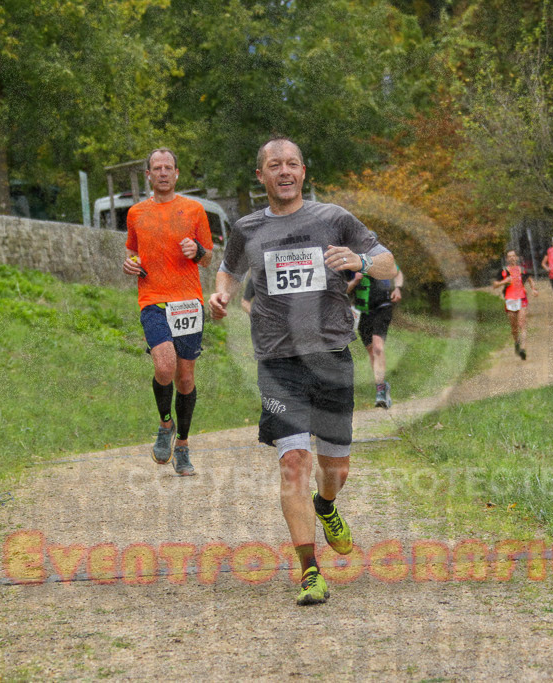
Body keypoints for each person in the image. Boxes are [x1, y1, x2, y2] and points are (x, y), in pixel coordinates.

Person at [208, 137, 396, 606]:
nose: (284, 171)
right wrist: (222, 294)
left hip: (331, 356)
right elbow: (228, 269)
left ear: (304, 172)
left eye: (292, 164)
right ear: (262, 176)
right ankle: (310, 570)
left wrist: (363, 262)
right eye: (275, 165)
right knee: (294, 461)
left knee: (336, 468)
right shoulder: (247, 227)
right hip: (276, 361)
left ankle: (326, 505)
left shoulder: (333, 218)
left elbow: (388, 262)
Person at [122, 148, 214, 476]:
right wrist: (130, 264)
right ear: (148, 174)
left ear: (177, 174)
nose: (162, 173)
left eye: (168, 168)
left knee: (185, 377)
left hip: (188, 302)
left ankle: (184, 445)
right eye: (156, 168)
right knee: (164, 366)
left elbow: (207, 258)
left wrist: (198, 250)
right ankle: (165, 424)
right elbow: (133, 251)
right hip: (152, 299)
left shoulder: (194, 210)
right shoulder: (135, 213)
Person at [347, 261, 404, 408]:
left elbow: (397, 272)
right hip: (363, 312)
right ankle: (382, 386)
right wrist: (355, 280)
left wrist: (397, 288)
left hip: (382, 306)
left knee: (378, 348)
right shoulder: (350, 263)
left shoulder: (380, 258)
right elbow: (344, 289)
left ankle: (380, 391)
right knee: (372, 351)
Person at [493, 249, 537, 360]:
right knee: (514, 327)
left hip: (521, 298)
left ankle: (523, 349)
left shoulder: (522, 269)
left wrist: (533, 289)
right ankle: (517, 342)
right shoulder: (503, 271)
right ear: (507, 259)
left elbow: (530, 279)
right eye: (509, 256)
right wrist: (504, 281)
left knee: (522, 324)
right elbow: (495, 285)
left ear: (517, 257)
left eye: (514, 256)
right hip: (510, 300)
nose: (512, 258)